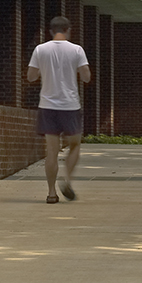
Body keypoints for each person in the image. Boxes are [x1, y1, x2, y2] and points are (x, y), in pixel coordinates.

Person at [27, 15, 90, 203]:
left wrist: (42, 70)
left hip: (47, 105)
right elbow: (86, 77)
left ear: (51, 31)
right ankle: (67, 180)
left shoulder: (40, 49)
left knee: (51, 151)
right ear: (68, 30)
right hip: (70, 105)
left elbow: (31, 77)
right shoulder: (77, 50)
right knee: (75, 145)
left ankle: (51, 193)